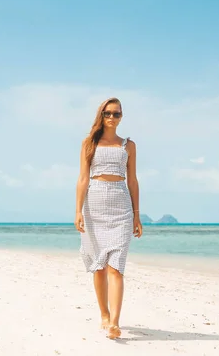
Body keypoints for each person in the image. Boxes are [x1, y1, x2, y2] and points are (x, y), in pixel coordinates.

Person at [74, 97, 143, 340]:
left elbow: (133, 181)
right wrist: (78, 211)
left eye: (116, 114)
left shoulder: (128, 145)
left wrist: (136, 215)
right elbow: (83, 179)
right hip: (94, 206)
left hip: (121, 207)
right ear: (101, 115)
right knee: (99, 267)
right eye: (108, 113)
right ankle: (103, 315)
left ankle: (114, 322)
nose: (112, 118)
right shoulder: (88, 143)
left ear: (122, 116)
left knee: (116, 268)